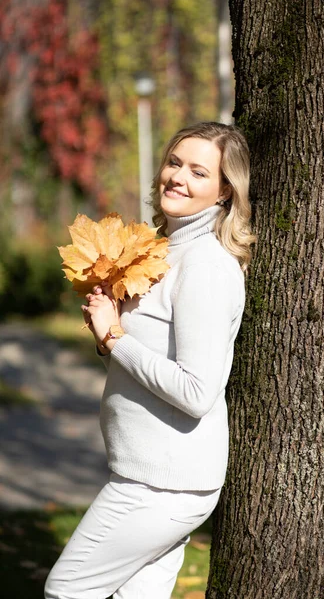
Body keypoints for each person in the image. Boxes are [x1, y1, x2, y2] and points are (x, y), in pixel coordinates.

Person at [45, 121, 256, 599]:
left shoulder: (206, 266)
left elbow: (197, 392)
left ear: (225, 191)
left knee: (67, 589)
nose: (178, 177)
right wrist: (108, 340)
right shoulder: (163, 255)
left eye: (199, 172)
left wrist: (116, 338)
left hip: (162, 486)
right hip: (152, 475)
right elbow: (142, 373)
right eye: (175, 163)